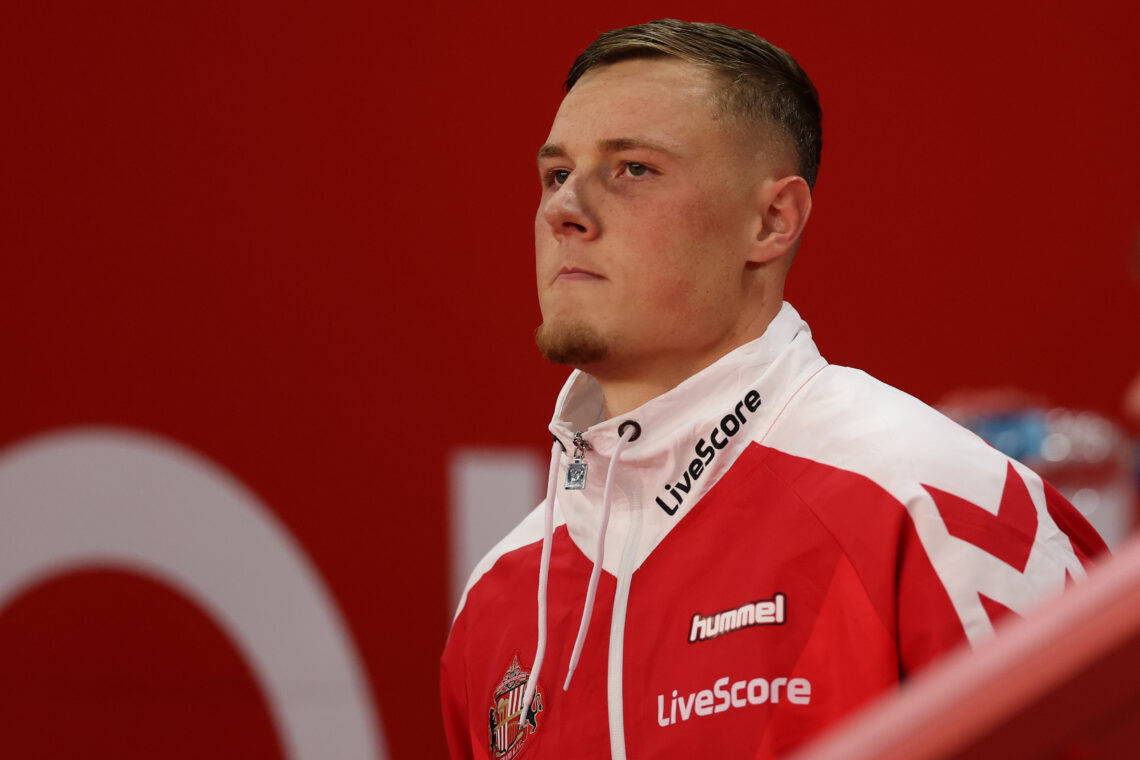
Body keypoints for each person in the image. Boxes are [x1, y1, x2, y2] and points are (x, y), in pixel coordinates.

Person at [440, 19, 1106, 760]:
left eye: (632, 169)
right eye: (557, 174)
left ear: (772, 221)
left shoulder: (932, 501)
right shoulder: (499, 595)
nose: (564, 210)